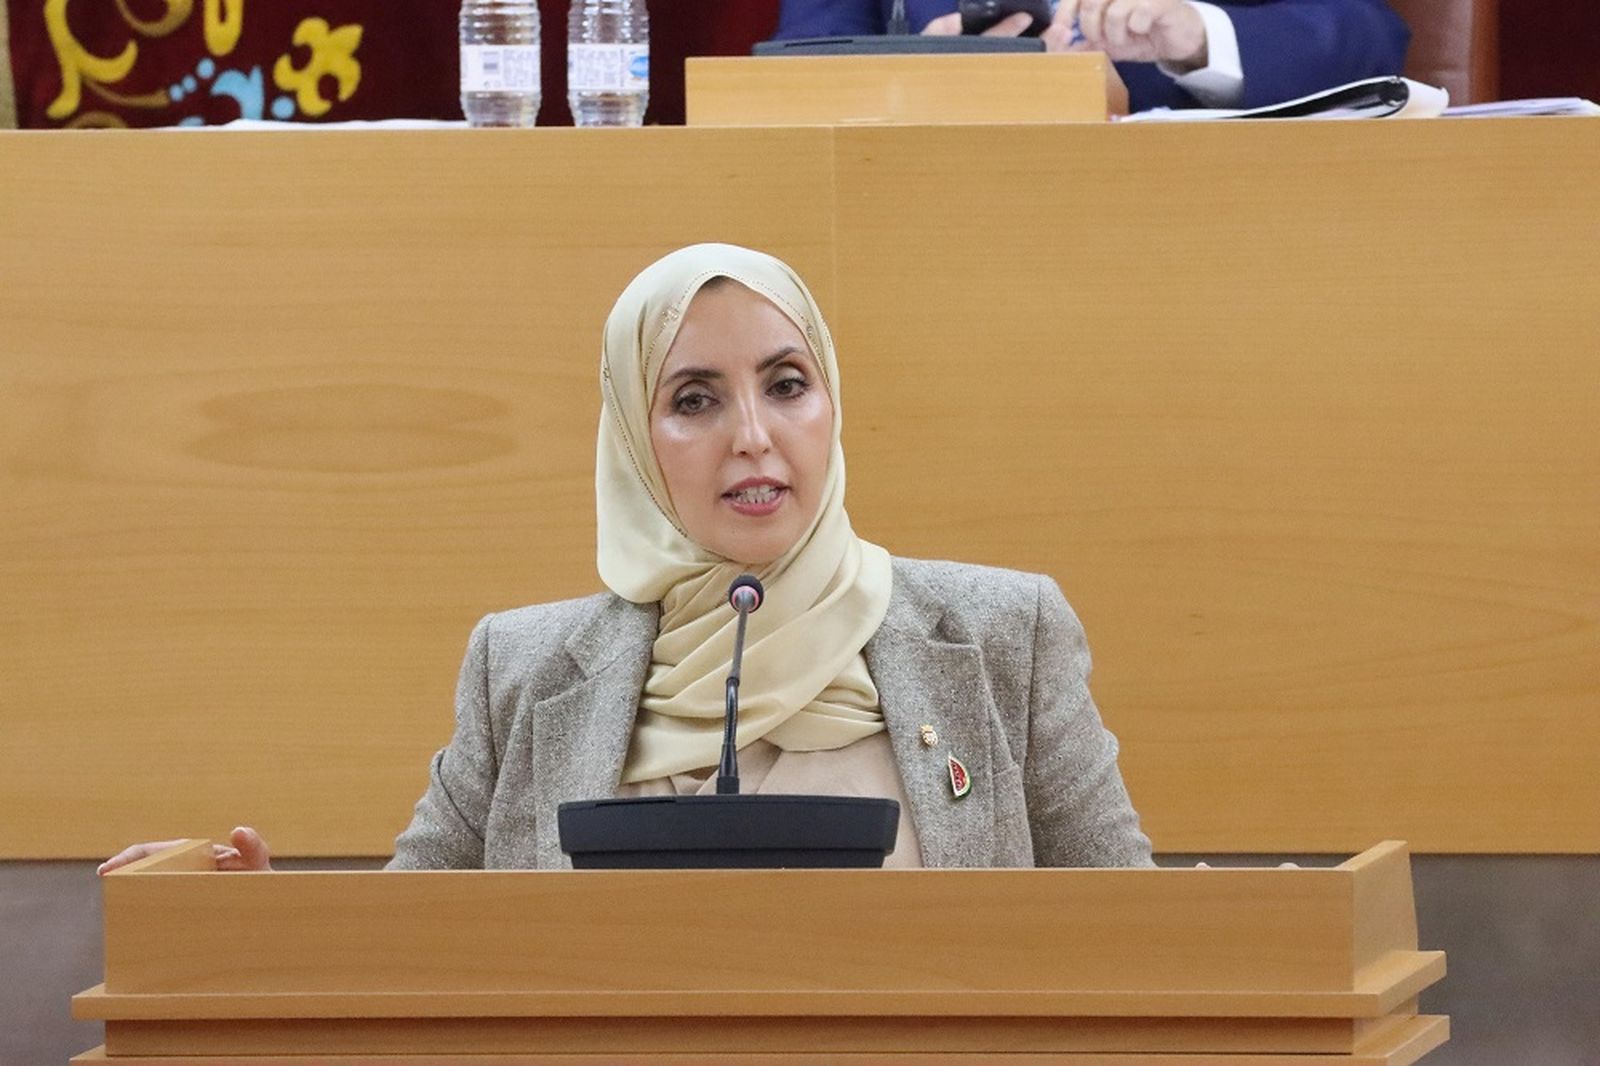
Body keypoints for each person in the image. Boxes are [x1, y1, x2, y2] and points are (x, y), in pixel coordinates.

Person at [99, 243, 1152, 876]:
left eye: (787, 383)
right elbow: (409, 949)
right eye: (694, 399)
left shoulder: (999, 638)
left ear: (832, 403)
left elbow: (1135, 939)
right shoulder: (521, 668)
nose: (752, 434)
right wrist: (252, 918)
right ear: (630, 440)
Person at [771, 0, 1411, 112]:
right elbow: (792, 82)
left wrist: (1200, 37)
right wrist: (934, 71)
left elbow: (1370, 38)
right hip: (938, 223)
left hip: (1204, 220)